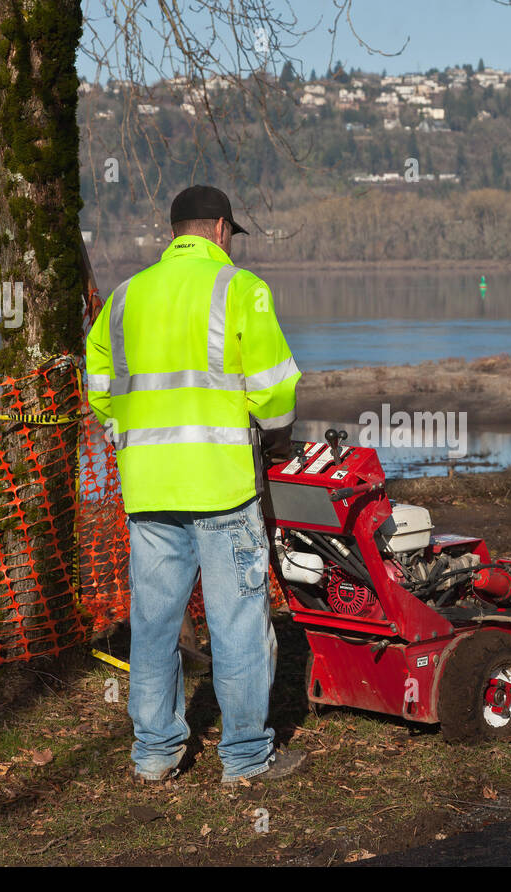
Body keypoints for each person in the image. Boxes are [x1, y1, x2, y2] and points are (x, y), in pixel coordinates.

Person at [85, 185, 305, 787]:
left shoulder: (127, 297)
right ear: (219, 230)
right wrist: (279, 439)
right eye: (231, 234)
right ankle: (245, 759)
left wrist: (126, 430)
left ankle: (155, 754)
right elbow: (273, 388)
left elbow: (98, 383)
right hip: (222, 488)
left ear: (175, 232)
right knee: (236, 622)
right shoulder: (241, 289)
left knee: (154, 624)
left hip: (149, 491)